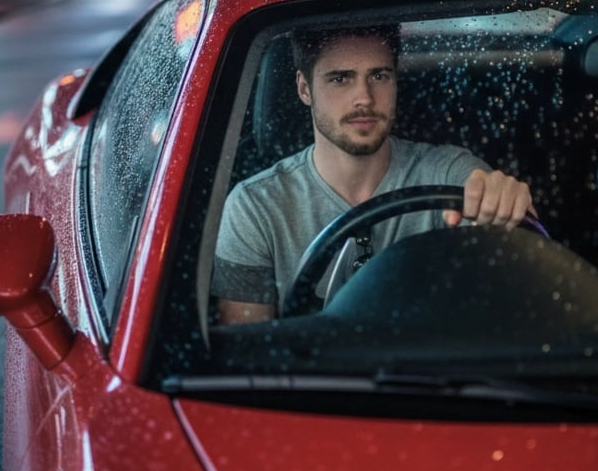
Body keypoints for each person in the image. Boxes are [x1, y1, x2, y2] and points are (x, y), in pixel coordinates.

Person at [212, 24, 536, 324]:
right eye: (341, 79)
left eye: (379, 76)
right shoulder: (254, 208)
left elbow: (518, 278)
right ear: (304, 88)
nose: (364, 98)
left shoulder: (447, 172)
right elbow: (248, 352)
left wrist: (501, 203)